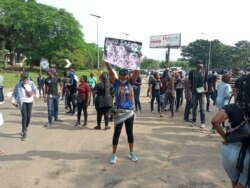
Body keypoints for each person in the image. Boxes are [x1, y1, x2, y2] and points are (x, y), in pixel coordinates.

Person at [105, 62, 139, 164]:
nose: (123, 76)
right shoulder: (116, 83)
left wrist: (139, 59)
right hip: (119, 112)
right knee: (117, 133)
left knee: (130, 133)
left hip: (129, 112)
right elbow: (111, 73)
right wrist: (107, 62)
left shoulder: (131, 82)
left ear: (128, 75)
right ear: (119, 75)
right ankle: (114, 154)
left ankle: (131, 152)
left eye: (125, 74)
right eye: (122, 74)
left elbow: (136, 72)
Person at [211, 103, 250, 188]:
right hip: (247, 153)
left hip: (229, 151)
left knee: (235, 184)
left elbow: (215, 121)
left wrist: (226, 138)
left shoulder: (232, 106)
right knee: (242, 184)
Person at [12, 72, 38, 141]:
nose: (25, 79)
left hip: (30, 101)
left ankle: (25, 128)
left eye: (26, 77)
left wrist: (37, 95)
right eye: (24, 78)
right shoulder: (18, 85)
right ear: (21, 78)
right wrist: (13, 101)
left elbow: (36, 89)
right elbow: (14, 94)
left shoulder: (31, 83)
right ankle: (24, 133)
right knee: (24, 116)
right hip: (22, 102)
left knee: (29, 117)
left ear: (28, 78)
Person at [188, 60, 206, 128]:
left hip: (201, 92)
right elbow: (189, 82)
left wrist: (206, 89)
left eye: (201, 63)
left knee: (202, 108)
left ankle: (203, 122)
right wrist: (189, 92)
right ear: (196, 65)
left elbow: (205, 82)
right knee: (194, 108)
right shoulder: (192, 72)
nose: (200, 65)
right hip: (194, 92)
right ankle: (194, 121)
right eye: (199, 63)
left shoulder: (204, 72)